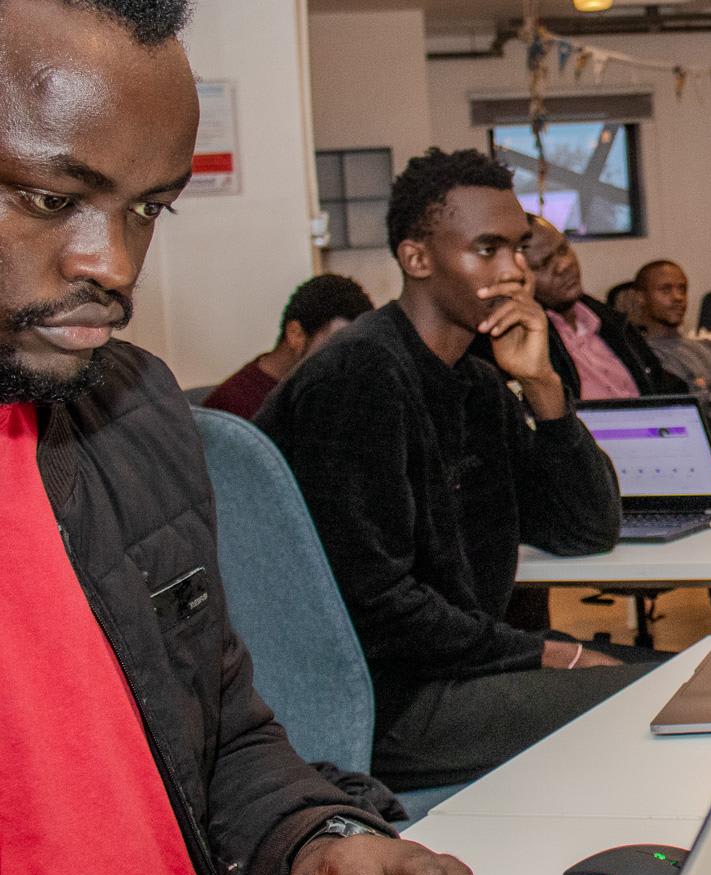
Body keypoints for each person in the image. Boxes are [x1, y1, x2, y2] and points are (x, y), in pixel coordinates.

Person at [0, 2, 504, 875]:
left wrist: (316, 840)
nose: (114, 266)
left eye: (148, 209)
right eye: (53, 198)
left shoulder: (128, 410)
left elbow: (220, 732)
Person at [260, 148, 663, 792]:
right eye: (487, 249)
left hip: (460, 667)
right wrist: (548, 652)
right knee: (671, 698)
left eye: (519, 249)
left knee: (700, 677)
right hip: (381, 701)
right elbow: (377, 605)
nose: (514, 271)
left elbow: (586, 529)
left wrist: (544, 388)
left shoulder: (476, 383)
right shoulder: (357, 378)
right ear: (417, 258)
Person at [524, 213, 684, 400]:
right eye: (544, 263)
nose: (564, 265)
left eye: (563, 249)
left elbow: (661, 385)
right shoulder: (530, 343)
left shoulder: (610, 321)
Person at [200, 274, 373, 419]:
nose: (345, 362)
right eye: (334, 346)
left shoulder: (334, 391)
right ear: (295, 334)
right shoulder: (231, 407)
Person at [633, 258, 711, 450]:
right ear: (641, 297)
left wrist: (710, 384)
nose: (678, 297)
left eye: (682, 289)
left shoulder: (710, 346)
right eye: (666, 290)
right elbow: (696, 407)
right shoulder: (646, 356)